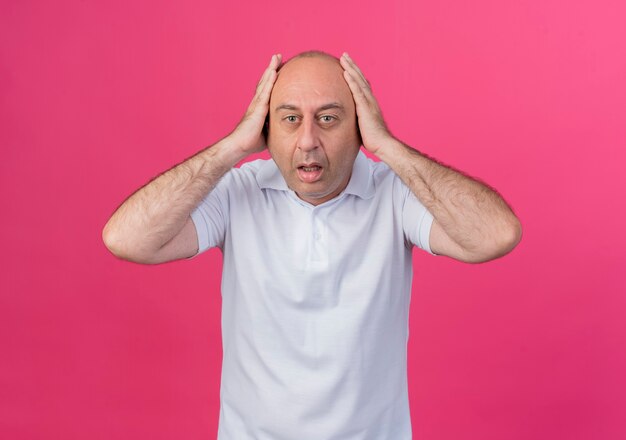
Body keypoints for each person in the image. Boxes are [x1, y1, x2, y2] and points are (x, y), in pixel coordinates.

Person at [103, 50, 522, 439]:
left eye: (328, 119)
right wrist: (231, 147)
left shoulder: (395, 195)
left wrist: (390, 148)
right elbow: (127, 240)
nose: (307, 141)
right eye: (288, 119)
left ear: (359, 126)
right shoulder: (237, 193)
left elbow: (495, 235)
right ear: (266, 128)